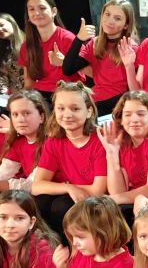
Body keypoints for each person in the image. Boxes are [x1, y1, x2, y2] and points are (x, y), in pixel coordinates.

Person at [30, 82, 109, 233]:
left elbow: (98, 190)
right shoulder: (53, 141)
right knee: (39, 202)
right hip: (72, 195)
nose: (67, 115)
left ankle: (72, 246)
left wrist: (70, 189)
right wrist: (68, 187)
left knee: (61, 205)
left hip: (99, 202)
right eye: (61, 108)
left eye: (75, 109)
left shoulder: (101, 140)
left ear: (89, 111)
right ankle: (50, 245)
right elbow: (37, 186)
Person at [58, 0, 140, 117]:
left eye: (117, 18)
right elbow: (68, 69)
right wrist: (79, 39)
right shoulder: (94, 43)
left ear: (126, 25)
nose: (110, 21)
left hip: (118, 102)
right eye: (107, 14)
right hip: (95, 98)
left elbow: (134, 91)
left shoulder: (130, 48)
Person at [100, 91, 148, 209]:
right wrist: (111, 154)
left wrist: (112, 199)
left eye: (141, 114)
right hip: (139, 205)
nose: (134, 119)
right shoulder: (124, 144)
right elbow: (118, 192)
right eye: (127, 115)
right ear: (121, 120)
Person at [0, 90, 49, 197]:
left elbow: (32, 184)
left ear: (41, 117)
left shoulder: (50, 143)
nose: (20, 119)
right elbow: (1, 174)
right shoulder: (18, 142)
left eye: (27, 113)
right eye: (15, 114)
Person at [19, 0, 81, 93]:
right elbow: (29, 82)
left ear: (54, 11)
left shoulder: (68, 39)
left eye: (42, 8)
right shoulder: (26, 46)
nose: (37, 13)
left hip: (66, 93)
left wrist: (64, 63)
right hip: (40, 95)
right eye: (32, 9)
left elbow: (81, 78)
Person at [0, 12, 25, 96]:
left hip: (31, 93)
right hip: (14, 97)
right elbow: (2, 75)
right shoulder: (4, 49)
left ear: (12, 23)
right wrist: (4, 94)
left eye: (1, 25)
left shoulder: (28, 43)